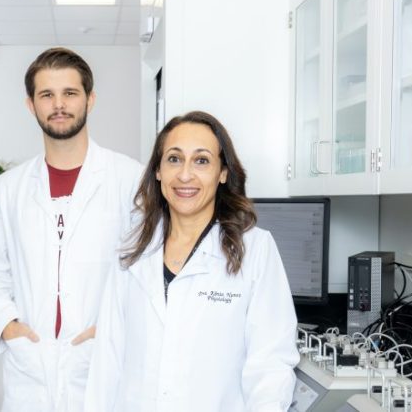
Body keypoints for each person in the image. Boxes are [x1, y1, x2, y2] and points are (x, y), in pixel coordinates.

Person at [86, 111, 300, 411]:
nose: (185, 175)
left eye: (201, 161)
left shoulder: (255, 249)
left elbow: (270, 365)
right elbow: (107, 360)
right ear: (158, 170)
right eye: (174, 159)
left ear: (222, 172)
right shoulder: (132, 249)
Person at [0, 47, 143, 411]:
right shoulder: (11, 186)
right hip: (29, 369)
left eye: (70, 93)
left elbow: (143, 268)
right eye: (46, 95)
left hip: (101, 362)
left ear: (90, 99)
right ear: (30, 105)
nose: (59, 104)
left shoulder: (128, 178)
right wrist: (8, 324)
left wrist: (111, 330)